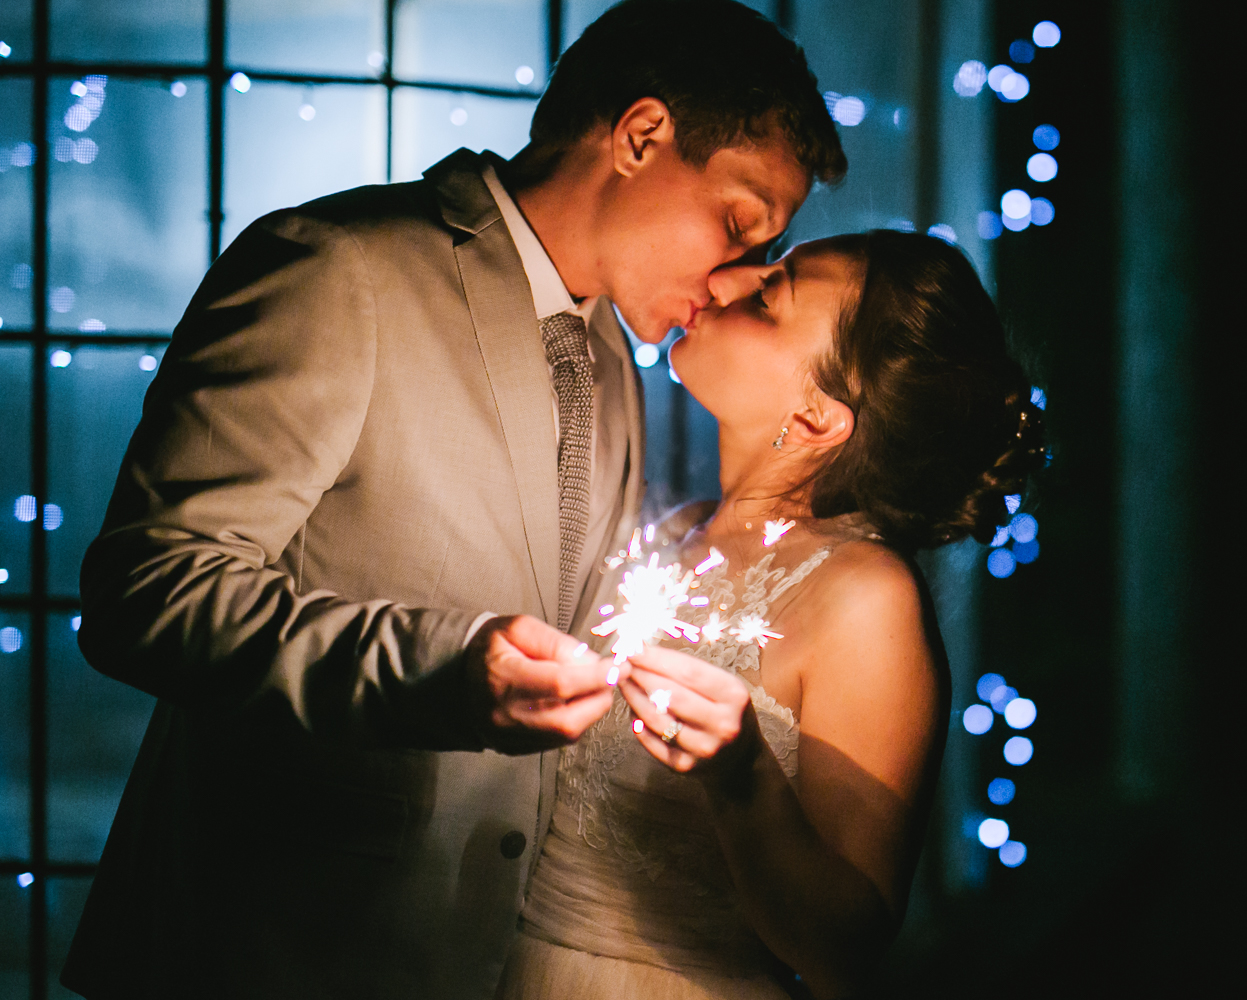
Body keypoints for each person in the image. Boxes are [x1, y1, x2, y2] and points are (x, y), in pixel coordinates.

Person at [60, 3, 845, 998]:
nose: (736, 274)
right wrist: (446, 671)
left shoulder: (614, 354)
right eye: (737, 220)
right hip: (268, 945)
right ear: (640, 136)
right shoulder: (341, 267)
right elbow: (144, 595)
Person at [497, 230, 1047, 999]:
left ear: (818, 417)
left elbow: (844, 951)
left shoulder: (867, 598)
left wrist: (742, 772)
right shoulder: (668, 530)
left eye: (770, 294)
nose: (725, 280)